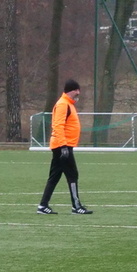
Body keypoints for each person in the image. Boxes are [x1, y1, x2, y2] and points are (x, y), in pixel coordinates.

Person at [37, 79, 91, 214]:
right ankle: (76, 206)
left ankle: (43, 206)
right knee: (72, 174)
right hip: (62, 146)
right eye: (77, 90)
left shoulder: (68, 104)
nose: (78, 93)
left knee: (55, 176)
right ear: (71, 90)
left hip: (62, 145)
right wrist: (63, 146)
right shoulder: (63, 104)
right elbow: (58, 126)